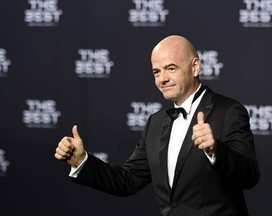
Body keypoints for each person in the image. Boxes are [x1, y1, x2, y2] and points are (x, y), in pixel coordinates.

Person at [55, 35, 260, 216]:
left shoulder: (229, 111)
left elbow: (249, 176)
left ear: (195, 67)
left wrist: (216, 150)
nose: (162, 79)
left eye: (171, 68)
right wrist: (81, 160)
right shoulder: (155, 122)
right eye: (156, 72)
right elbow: (128, 180)